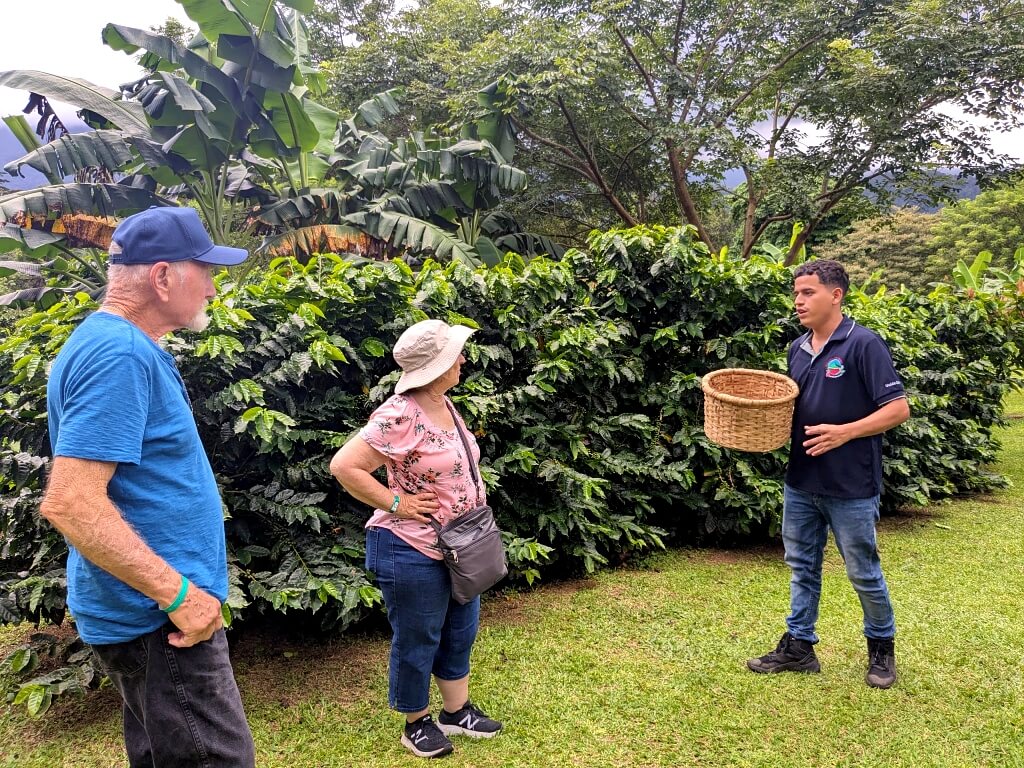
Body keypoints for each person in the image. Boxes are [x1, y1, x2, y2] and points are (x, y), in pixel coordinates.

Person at [41, 206, 255, 766]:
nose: (212, 286)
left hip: (151, 619)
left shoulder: (119, 344)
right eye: (203, 269)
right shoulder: (119, 353)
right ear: (162, 277)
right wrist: (179, 596)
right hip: (162, 624)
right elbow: (71, 502)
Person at [330, 319, 502, 758]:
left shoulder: (442, 402)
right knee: (418, 636)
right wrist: (398, 504)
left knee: (460, 630)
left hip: (459, 546)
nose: (463, 358)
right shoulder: (399, 413)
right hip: (410, 547)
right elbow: (344, 466)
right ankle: (416, 722)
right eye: (455, 354)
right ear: (436, 367)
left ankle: (456, 711)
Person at [747, 259, 910, 689]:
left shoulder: (863, 344)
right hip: (801, 481)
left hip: (850, 485)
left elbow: (898, 409)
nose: (798, 301)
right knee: (802, 566)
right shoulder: (796, 348)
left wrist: (845, 433)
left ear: (835, 295)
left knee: (862, 570)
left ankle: (881, 649)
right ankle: (799, 647)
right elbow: (794, 409)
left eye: (808, 293)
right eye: (796, 293)